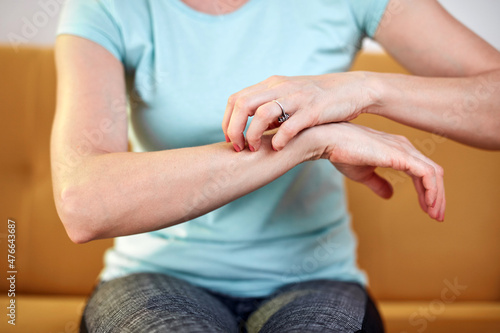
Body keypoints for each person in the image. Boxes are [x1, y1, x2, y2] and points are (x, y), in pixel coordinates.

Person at [50, 0, 500, 332]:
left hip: (315, 280)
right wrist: (311, 141)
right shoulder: (107, 8)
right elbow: (83, 201)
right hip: (156, 277)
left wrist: (364, 88)